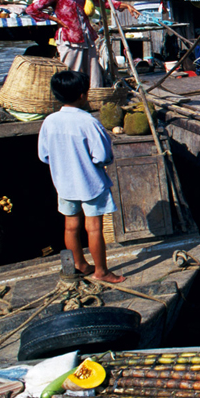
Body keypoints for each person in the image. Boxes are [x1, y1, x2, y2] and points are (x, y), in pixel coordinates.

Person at [37, 71, 124, 283]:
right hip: (90, 183)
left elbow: (44, 155)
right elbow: (102, 156)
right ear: (83, 95)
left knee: (71, 225)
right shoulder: (88, 122)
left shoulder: (50, 121)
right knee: (93, 227)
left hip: (64, 184)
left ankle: (80, 264)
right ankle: (101, 271)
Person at [26, 0, 139, 88]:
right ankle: (70, 98)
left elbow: (102, 2)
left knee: (92, 71)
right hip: (69, 38)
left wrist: (125, 6)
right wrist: (53, 18)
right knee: (71, 71)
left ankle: (94, 96)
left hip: (86, 37)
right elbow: (31, 9)